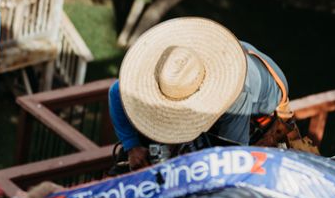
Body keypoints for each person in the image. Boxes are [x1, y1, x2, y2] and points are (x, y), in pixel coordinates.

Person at [108, 17, 293, 170]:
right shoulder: (170, 65)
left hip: (260, 101)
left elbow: (232, 158)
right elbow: (117, 92)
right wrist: (132, 146)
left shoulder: (233, 98)